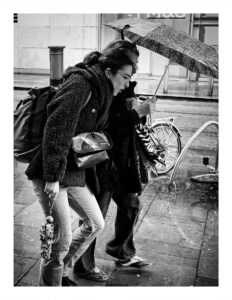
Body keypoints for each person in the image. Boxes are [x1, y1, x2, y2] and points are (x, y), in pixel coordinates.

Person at [25, 44, 135, 286]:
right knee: (60, 243)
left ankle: (63, 270)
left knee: (95, 222)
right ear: (108, 72)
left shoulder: (103, 92)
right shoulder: (81, 84)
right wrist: (53, 176)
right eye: (125, 77)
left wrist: (132, 109)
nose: (126, 83)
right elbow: (56, 127)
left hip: (72, 171)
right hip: (50, 172)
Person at [73, 40, 152, 282]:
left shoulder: (121, 84)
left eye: (135, 66)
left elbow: (122, 121)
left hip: (125, 160)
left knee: (130, 204)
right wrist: (136, 113)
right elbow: (106, 129)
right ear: (113, 68)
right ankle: (82, 266)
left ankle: (122, 250)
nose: (134, 70)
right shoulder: (101, 87)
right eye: (132, 65)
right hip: (105, 162)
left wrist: (137, 108)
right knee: (95, 215)